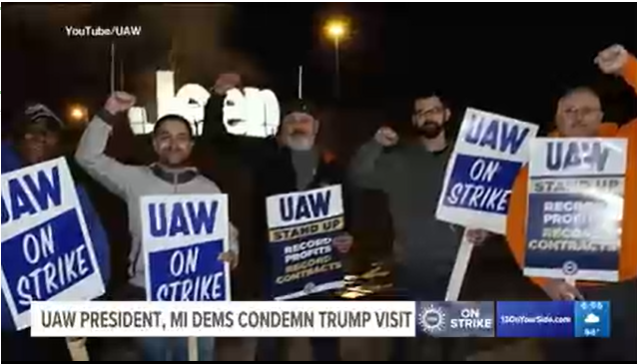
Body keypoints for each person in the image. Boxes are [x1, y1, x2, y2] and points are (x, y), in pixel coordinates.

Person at [75, 92, 240, 361]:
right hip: (147, 295)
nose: (173, 144)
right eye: (165, 136)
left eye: (181, 137)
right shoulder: (134, 179)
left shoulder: (208, 188)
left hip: (198, 297)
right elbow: (87, 157)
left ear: (190, 145)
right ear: (154, 143)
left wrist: (231, 253)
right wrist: (109, 112)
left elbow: (227, 231)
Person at [203, 74, 354, 361]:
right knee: (271, 344)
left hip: (319, 265)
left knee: (326, 344)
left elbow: (347, 208)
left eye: (304, 120)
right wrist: (218, 98)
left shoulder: (332, 165)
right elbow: (215, 138)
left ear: (316, 127)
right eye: (291, 121)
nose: (298, 126)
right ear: (280, 128)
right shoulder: (264, 155)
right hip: (273, 268)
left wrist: (348, 235)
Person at [505, 44, 636, 361]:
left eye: (587, 110)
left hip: (623, 290)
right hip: (562, 292)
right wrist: (544, 280)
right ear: (556, 117)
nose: (578, 117)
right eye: (569, 111)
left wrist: (628, 68)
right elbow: (516, 227)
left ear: (601, 115)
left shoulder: (627, 145)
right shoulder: (534, 165)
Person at [349, 94, 490, 361]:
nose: (429, 116)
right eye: (422, 112)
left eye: (434, 110)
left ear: (446, 115)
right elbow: (359, 175)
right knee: (406, 350)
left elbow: (490, 206)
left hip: (459, 270)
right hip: (410, 270)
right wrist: (374, 145)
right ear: (415, 119)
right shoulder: (398, 159)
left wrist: (485, 231)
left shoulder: (468, 159)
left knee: (455, 350)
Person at [1, 104, 111, 361]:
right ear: (14, 138)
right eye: (30, 132)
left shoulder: (69, 186)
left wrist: (94, 292)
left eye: (48, 133)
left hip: (63, 313)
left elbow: (94, 240)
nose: (39, 138)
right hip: (11, 322)